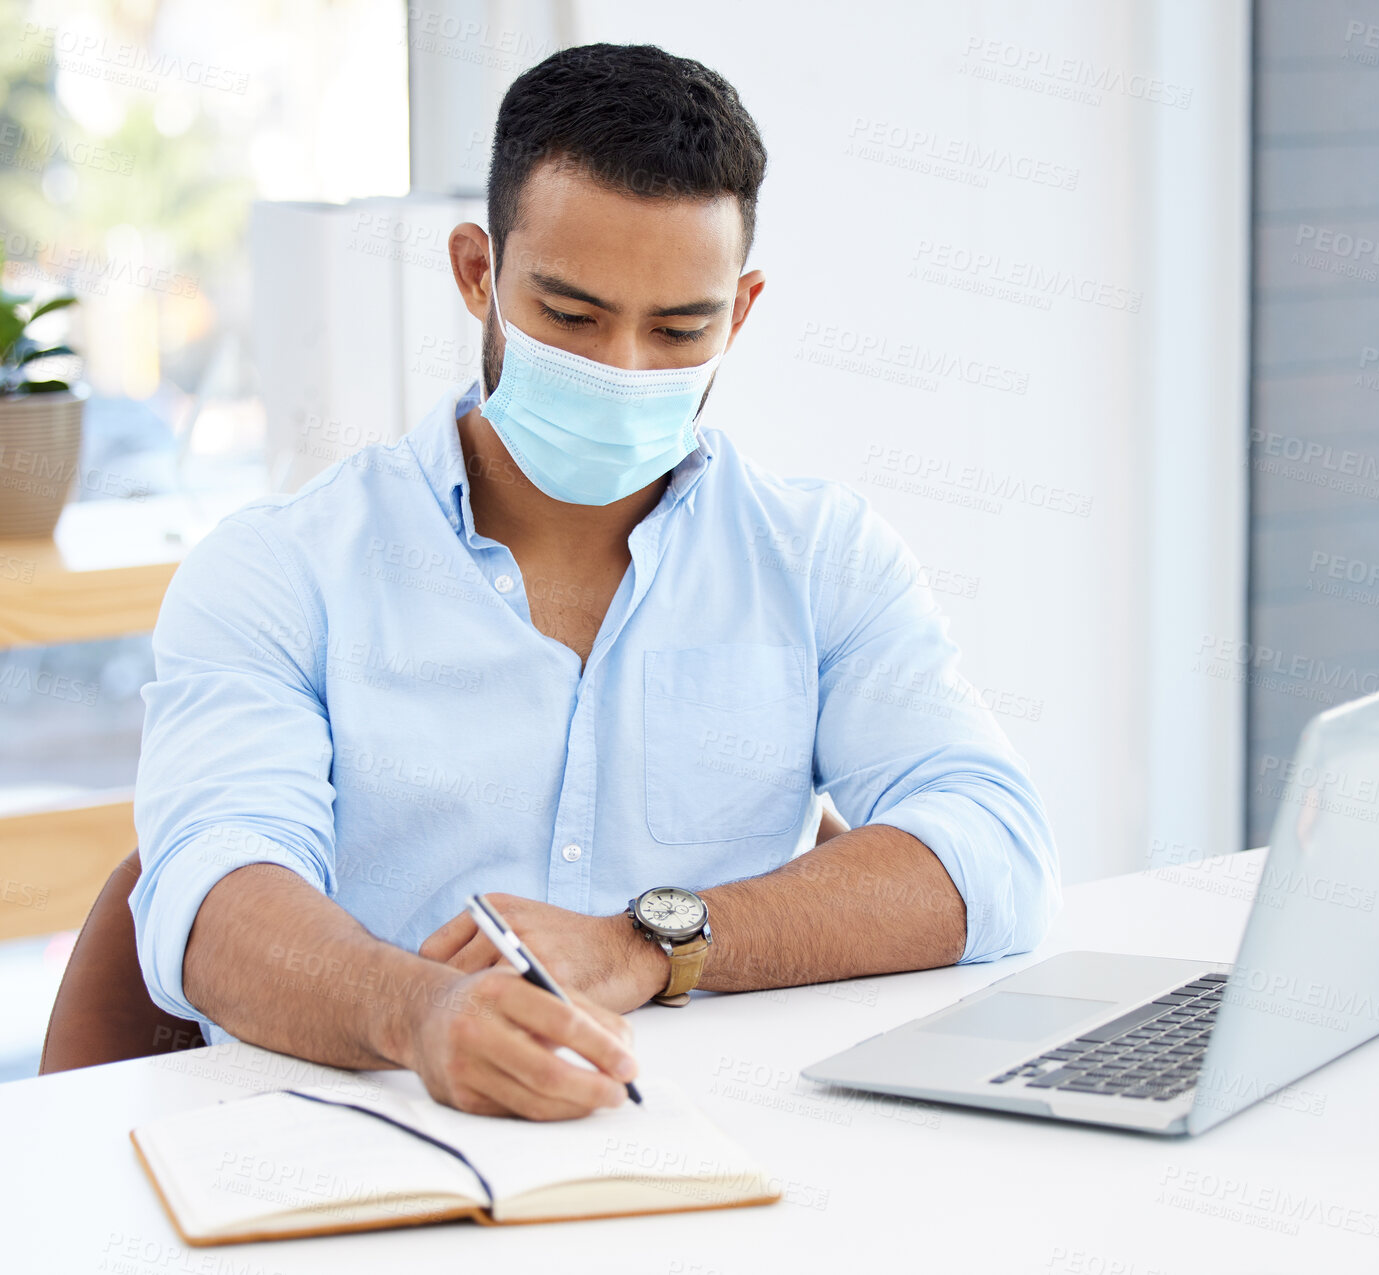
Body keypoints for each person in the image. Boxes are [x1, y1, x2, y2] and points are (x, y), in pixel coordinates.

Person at [130, 43, 1060, 1121]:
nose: (622, 372)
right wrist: (423, 1012)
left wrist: (652, 944)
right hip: (381, 1143)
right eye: (571, 317)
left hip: (720, 1144)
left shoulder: (821, 558)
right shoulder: (282, 569)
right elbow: (209, 897)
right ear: (477, 271)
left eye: (679, 329)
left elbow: (994, 848)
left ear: (742, 312)